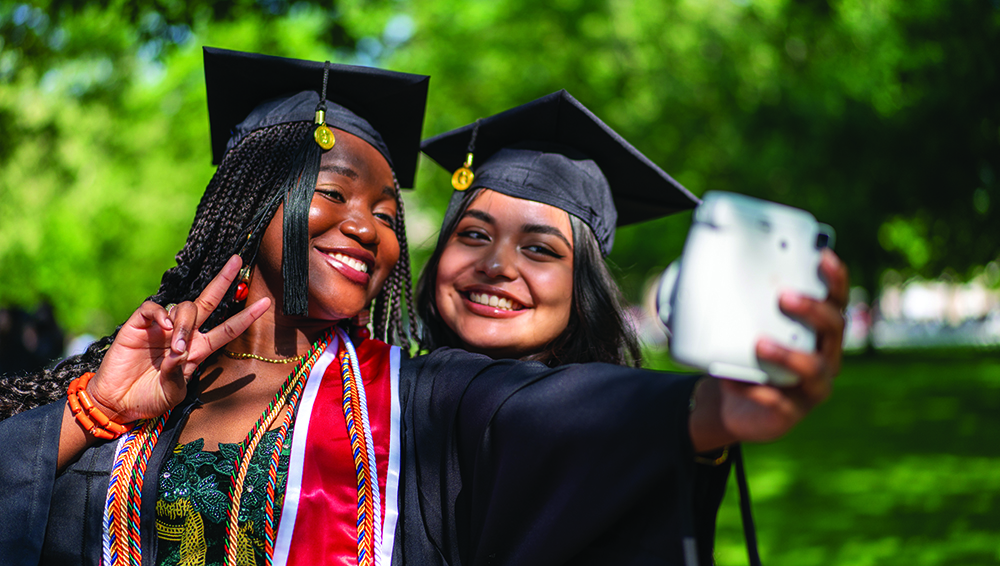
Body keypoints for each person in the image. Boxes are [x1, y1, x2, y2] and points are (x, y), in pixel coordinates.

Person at [0, 47, 429, 566]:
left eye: (386, 215)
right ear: (251, 206)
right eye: (334, 192)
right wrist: (97, 411)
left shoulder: (415, 401)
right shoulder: (155, 369)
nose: (367, 228)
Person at [392, 91, 848, 566]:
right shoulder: (380, 395)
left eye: (540, 249)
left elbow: (563, 413)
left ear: (582, 288)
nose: (497, 264)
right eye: (474, 235)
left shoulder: (593, 412)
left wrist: (705, 413)